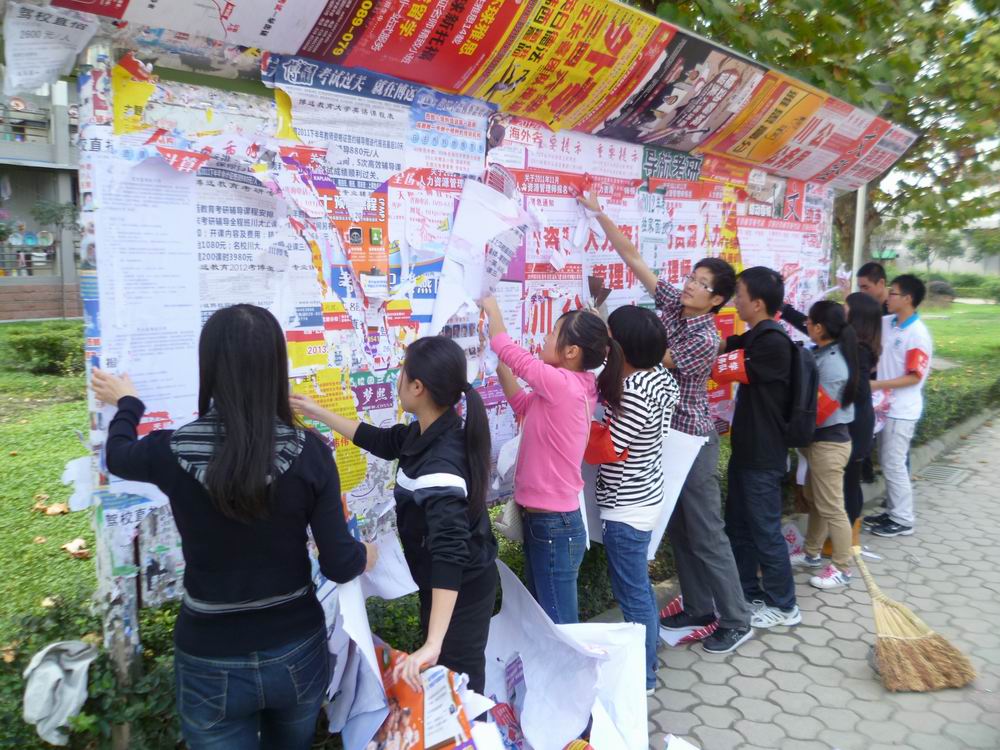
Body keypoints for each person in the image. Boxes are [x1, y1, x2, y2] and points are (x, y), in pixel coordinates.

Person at [91, 304, 374, 750]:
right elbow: (340, 563)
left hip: (209, 654)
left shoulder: (171, 450)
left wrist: (128, 403)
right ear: (276, 367)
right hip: (295, 648)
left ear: (209, 367)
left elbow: (118, 455)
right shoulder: (311, 453)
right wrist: (365, 555)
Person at [576, 191, 752, 655]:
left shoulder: (704, 337)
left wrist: (602, 327)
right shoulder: (675, 306)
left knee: (706, 530)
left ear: (717, 299)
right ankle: (698, 606)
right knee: (679, 528)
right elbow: (635, 260)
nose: (689, 285)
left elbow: (648, 356)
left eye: (701, 283)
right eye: (692, 277)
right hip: (660, 435)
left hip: (690, 440)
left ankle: (736, 618)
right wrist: (599, 213)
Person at [292, 336, 498, 694]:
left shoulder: (441, 465)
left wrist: (433, 642)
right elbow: (380, 440)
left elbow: (450, 553)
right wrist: (317, 413)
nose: (396, 379)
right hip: (441, 584)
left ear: (418, 387)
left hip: (460, 588)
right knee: (445, 680)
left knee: (459, 687)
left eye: (402, 372)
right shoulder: (427, 431)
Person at [481, 294, 624, 624]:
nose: (545, 337)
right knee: (546, 620)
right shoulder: (571, 386)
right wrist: (497, 360)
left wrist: (492, 307)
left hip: (554, 525)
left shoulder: (564, 385)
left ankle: (574, 662)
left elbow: (516, 356)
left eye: (553, 332)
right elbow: (522, 404)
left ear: (571, 352)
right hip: (544, 522)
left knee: (559, 625)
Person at [597, 305, 679, 693]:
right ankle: (650, 657)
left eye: (609, 338)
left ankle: (644, 676)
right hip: (646, 493)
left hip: (626, 505)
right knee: (640, 589)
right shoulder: (658, 375)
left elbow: (610, 448)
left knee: (632, 596)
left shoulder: (633, 393)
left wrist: (573, 424)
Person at [719, 267, 799, 628]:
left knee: (765, 531)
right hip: (747, 450)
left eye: (739, 294)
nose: (735, 301)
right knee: (739, 526)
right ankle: (748, 592)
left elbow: (720, 365)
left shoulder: (772, 343)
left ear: (758, 303)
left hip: (764, 455)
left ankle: (785, 605)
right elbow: (725, 345)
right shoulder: (755, 336)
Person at [782, 301, 859, 590]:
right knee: (816, 499)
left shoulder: (834, 364)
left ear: (820, 327)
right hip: (820, 442)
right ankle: (811, 552)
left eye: (810, 322)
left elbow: (817, 411)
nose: (806, 325)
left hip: (829, 445)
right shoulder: (824, 351)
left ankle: (842, 567)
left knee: (833, 508)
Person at [865, 274, 933, 537]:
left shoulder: (917, 334)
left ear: (907, 299)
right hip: (884, 408)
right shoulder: (888, 323)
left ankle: (903, 519)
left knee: (894, 464)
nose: (888, 298)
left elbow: (915, 376)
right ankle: (893, 511)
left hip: (901, 410)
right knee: (887, 461)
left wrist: (877, 385)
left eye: (893, 293)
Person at [843, 292, 881, 525]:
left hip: (855, 425)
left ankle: (846, 538)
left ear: (856, 316)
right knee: (849, 482)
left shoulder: (858, 349)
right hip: (857, 421)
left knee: (848, 483)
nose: (841, 311)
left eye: (845, 308)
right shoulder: (857, 345)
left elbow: (860, 390)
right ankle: (849, 535)